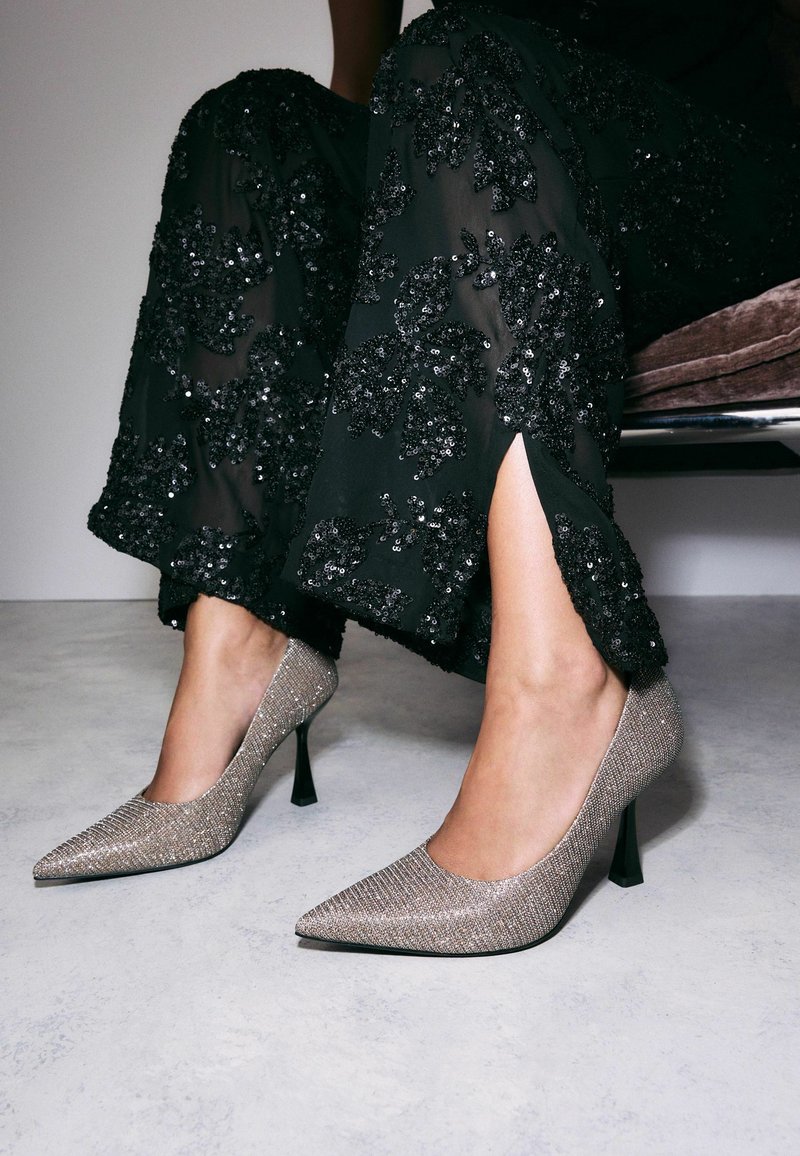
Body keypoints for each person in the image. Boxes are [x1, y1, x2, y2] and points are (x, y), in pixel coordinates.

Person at [33, 1, 799, 955]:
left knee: (457, 57)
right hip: (477, 126)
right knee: (256, 123)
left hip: (713, 155)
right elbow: (365, 80)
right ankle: (241, 647)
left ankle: (568, 681)